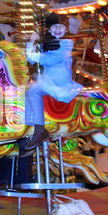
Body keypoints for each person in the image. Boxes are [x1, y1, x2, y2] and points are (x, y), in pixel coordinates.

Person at [22, 13, 83, 156]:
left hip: (58, 81)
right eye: (54, 27)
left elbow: (50, 60)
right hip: (47, 79)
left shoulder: (67, 43)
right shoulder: (45, 44)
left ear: (65, 30)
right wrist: (31, 42)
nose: (57, 29)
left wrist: (33, 55)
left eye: (61, 27)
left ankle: (39, 131)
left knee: (33, 91)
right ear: (49, 30)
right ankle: (29, 130)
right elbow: (32, 61)